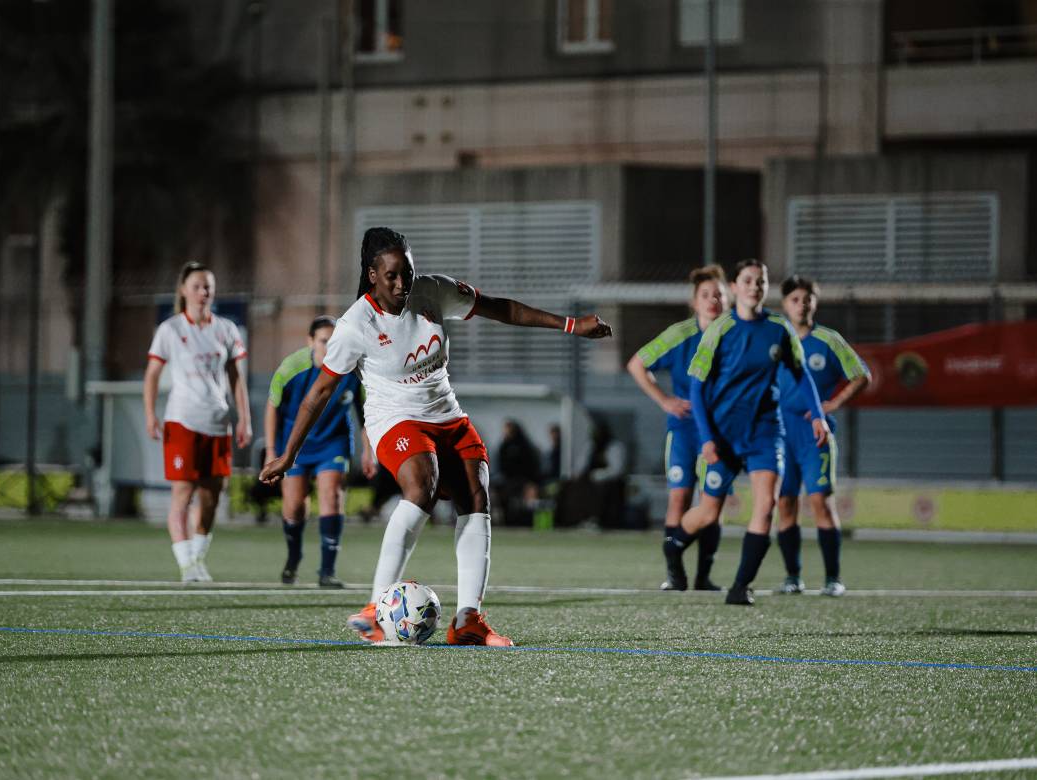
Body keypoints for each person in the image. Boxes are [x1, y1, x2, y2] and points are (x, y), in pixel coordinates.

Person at [260, 227, 612, 645]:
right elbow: (318, 393)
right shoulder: (356, 325)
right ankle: (375, 608)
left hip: (446, 414)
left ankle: (468, 621)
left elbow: (501, 308)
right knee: (421, 485)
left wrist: (571, 325)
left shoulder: (433, 291)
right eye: (391, 275)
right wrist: (288, 454)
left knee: (477, 497)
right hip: (395, 419)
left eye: (407, 273)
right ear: (372, 275)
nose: (401, 283)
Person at [677, 259, 828, 606]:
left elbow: (801, 373)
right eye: (747, 281)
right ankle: (673, 548)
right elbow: (696, 389)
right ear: (734, 287)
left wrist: (818, 415)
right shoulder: (720, 329)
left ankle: (739, 586)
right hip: (724, 433)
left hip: (765, 432)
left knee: (766, 505)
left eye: (760, 281)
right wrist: (707, 437)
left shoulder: (779, 328)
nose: (754, 287)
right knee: (709, 512)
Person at [144, 261, 252, 582]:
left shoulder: (226, 329)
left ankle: (197, 557)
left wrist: (243, 418)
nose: (203, 292)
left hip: (218, 422)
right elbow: (152, 375)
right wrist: (150, 414)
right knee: (183, 492)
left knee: (211, 497)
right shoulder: (171, 330)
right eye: (197, 286)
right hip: (182, 421)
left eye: (208, 287)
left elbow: (236, 378)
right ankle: (186, 563)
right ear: (183, 290)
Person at [627, 265, 727, 591]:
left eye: (718, 294)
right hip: (684, 429)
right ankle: (675, 574)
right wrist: (664, 400)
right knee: (679, 497)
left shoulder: (735, 334)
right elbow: (637, 364)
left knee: (712, 503)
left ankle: (704, 576)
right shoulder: (680, 334)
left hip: (721, 432)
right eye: (705, 295)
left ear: (728, 300)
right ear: (694, 302)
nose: (713, 300)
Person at [775, 275, 870, 597]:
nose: (802, 305)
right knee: (785, 503)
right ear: (785, 304)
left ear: (815, 303)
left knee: (821, 502)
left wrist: (832, 404)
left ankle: (832, 578)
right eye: (795, 299)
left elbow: (861, 375)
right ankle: (792, 577)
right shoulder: (776, 340)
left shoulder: (829, 340)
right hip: (780, 433)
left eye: (807, 299)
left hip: (814, 434)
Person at [265, 315, 375, 587]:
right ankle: (293, 557)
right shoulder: (291, 368)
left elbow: (366, 414)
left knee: (332, 495)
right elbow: (272, 408)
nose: (330, 346)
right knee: (294, 505)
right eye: (324, 341)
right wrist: (271, 450)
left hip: (333, 442)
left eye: (335, 340)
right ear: (311, 342)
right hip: (295, 444)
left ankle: (327, 571)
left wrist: (368, 450)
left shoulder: (353, 370)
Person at [494, 419, 542, 526]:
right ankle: (505, 520)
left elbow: (531, 467)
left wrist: (532, 482)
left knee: (530, 493)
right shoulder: (504, 447)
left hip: (525, 480)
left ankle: (528, 521)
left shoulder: (525, 446)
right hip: (508, 480)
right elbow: (501, 466)